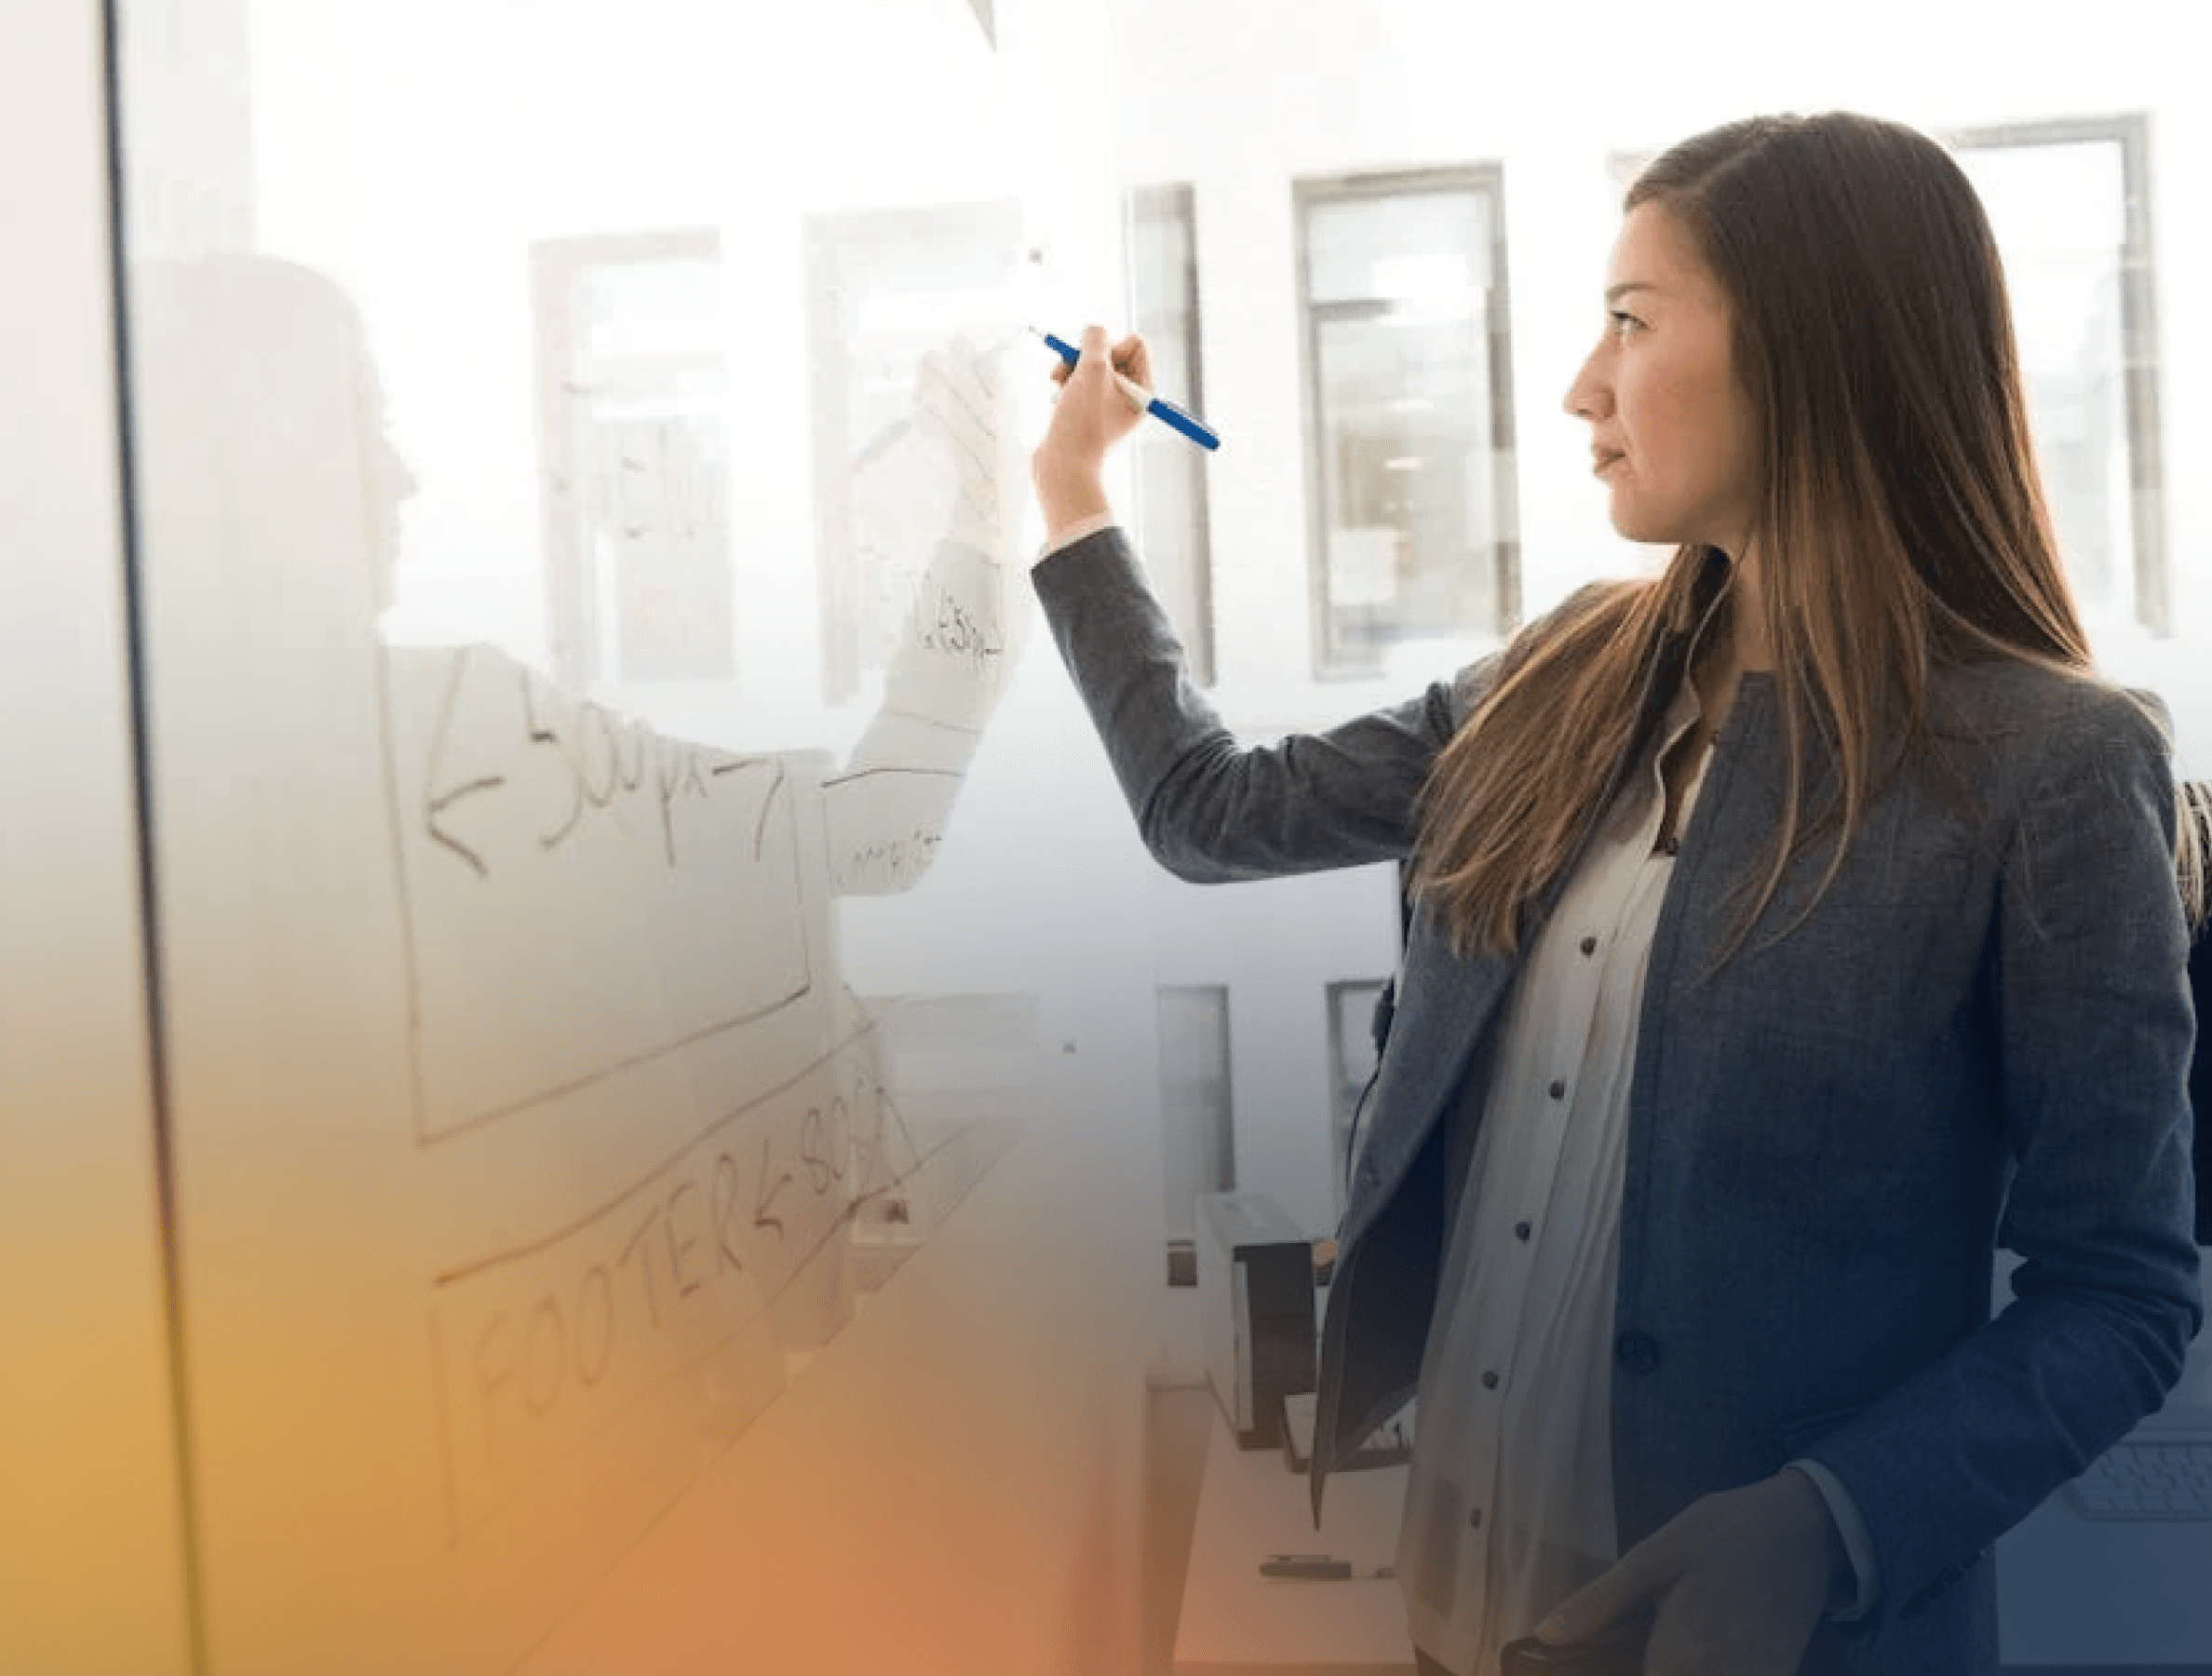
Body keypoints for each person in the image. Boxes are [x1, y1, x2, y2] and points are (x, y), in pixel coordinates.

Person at [1027, 112, 2204, 1676]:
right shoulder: (1556, 676)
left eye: (1632, 321)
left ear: (1814, 351)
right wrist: (1074, 499)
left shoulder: (2052, 767)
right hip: (1450, 1609)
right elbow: (1208, 808)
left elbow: (2117, 1293)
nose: (1582, 385)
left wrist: (1824, 1520)